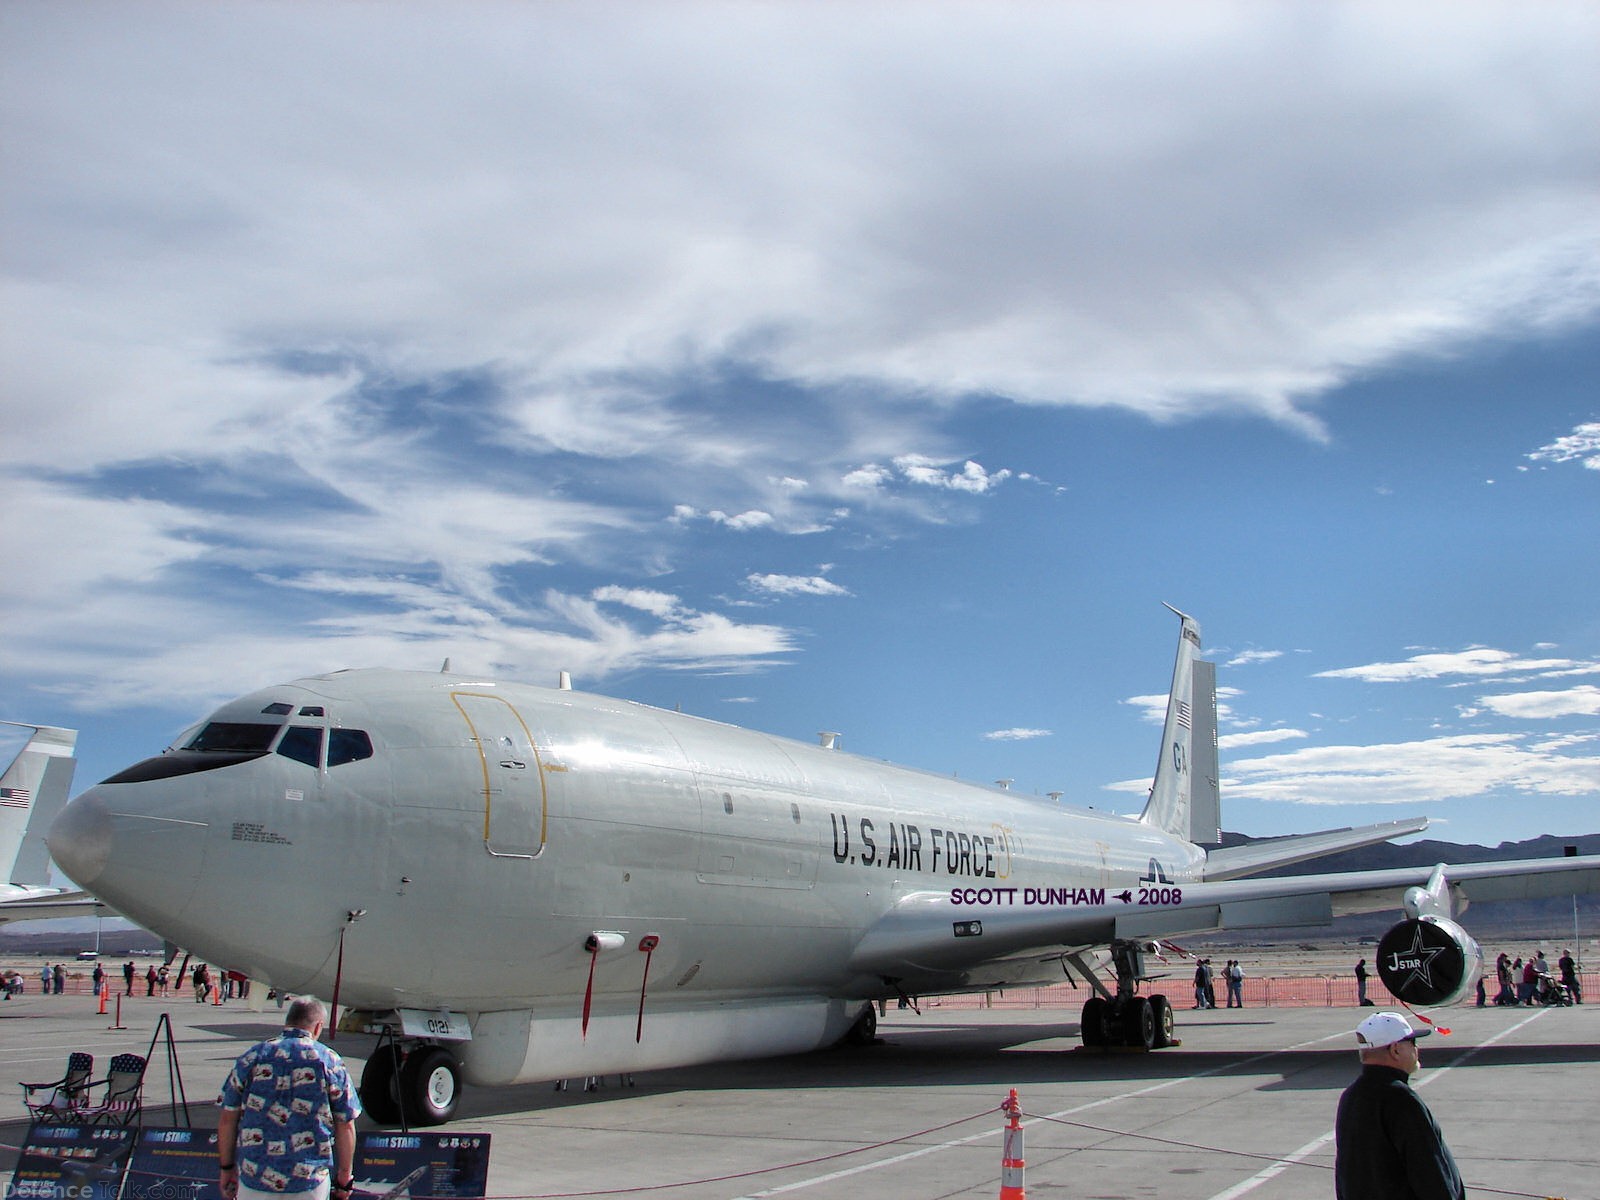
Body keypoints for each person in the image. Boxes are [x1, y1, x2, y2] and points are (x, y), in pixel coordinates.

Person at [217, 997, 360, 1200]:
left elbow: (227, 1119)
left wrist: (226, 1168)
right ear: (318, 1026)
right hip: (308, 1181)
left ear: (288, 1021)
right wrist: (345, 1177)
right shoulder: (328, 1060)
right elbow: (345, 1124)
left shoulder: (252, 1056)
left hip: (255, 1178)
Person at [1335, 1011, 1464, 1200]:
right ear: (1395, 1049)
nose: (1416, 1050)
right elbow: (1428, 1171)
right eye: (1412, 1043)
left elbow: (1345, 1174)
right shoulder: (1401, 1100)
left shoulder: (1350, 1097)